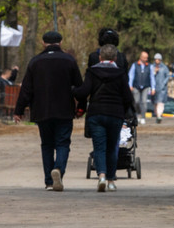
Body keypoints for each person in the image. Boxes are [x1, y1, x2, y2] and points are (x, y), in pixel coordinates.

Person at [13, 30, 84, 191]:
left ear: (43, 43)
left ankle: (49, 181)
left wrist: (19, 110)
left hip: (42, 110)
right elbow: (79, 87)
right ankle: (58, 169)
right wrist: (81, 107)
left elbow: (26, 89)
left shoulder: (35, 62)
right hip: (65, 110)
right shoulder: (69, 61)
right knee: (63, 142)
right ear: (60, 42)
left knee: (47, 144)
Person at [74, 44, 134, 193]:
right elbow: (128, 97)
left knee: (99, 147)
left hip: (96, 113)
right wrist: (124, 111)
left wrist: (72, 90)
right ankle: (111, 180)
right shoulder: (120, 74)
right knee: (113, 147)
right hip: (115, 114)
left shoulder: (92, 72)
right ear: (115, 58)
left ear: (100, 57)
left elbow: (83, 92)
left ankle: (101, 176)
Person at [128, 51, 153, 124]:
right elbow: (131, 76)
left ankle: (143, 117)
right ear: (141, 57)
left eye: (147, 58)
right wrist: (130, 85)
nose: (146, 59)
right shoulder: (134, 65)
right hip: (136, 86)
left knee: (144, 102)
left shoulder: (149, 66)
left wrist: (153, 88)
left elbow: (152, 77)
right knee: (136, 101)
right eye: (145, 57)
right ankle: (137, 114)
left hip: (145, 86)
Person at [151, 52, 170, 122]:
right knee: (155, 102)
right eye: (156, 59)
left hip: (162, 89)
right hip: (154, 88)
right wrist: (154, 72)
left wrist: (163, 84)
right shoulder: (152, 67)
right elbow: (150, 76)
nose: (157, 61)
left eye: (158, 59)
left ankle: (159, 116)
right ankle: (157, 115)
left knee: (160, 102)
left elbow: (167, 76)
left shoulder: (164, 67)